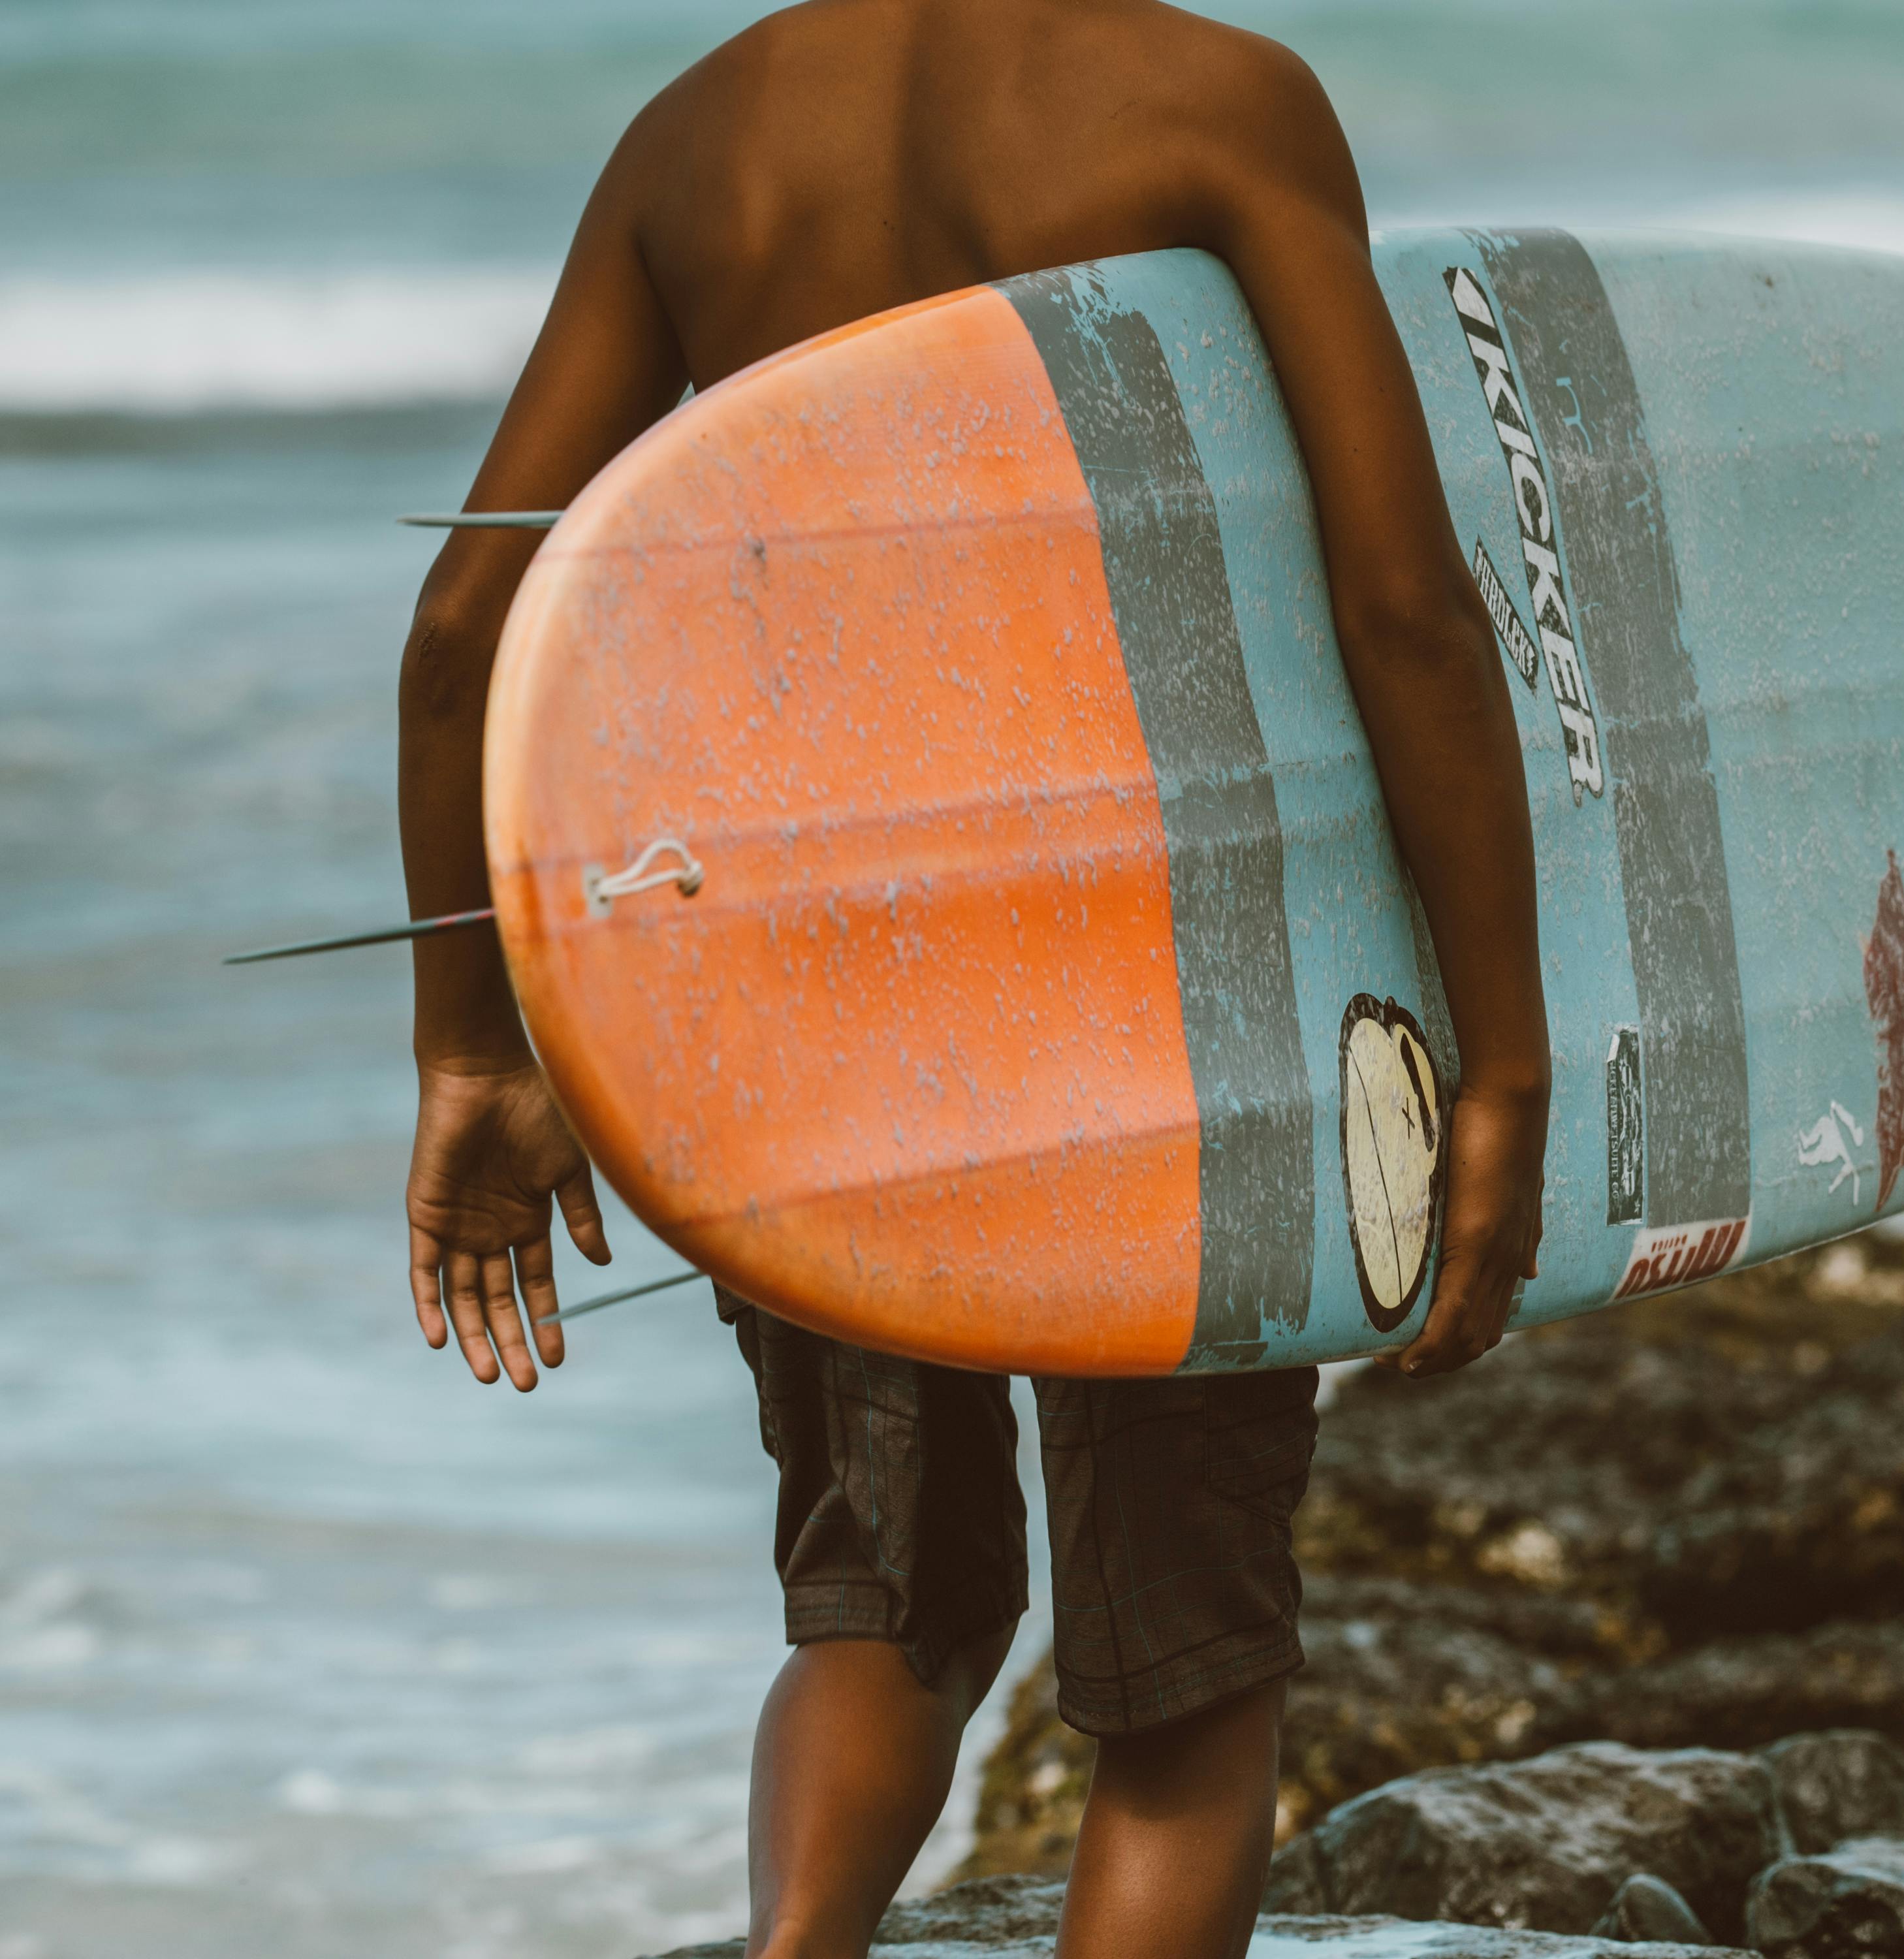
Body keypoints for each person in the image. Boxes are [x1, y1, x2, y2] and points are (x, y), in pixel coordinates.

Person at [389, 3, 1552, 1955]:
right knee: (1182, 1679)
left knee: (887, 1609)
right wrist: (1502, 1054)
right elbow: (1403, 608)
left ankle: (792, 1949)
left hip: (802, 989)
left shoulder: (700, 140)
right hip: (1162, 987)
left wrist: (467, 1043)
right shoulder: (1207, 100)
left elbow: (458, 623)